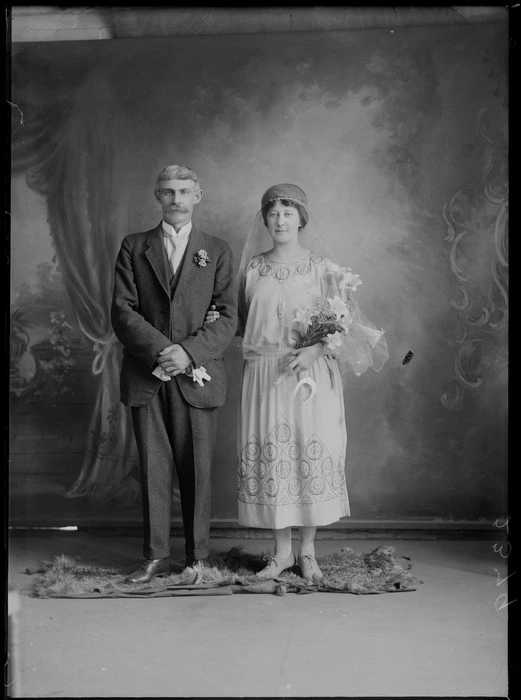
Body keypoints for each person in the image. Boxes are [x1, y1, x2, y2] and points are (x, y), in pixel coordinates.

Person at [208, 183, 388, 581]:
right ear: (264, 219)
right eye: (273, 213)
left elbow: (342, 324)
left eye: (288, 212)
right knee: (276, 457)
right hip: (265, 375)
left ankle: (307, 551)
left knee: (309, 450)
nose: (280, 220)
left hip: (310, 374)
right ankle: (281, 552)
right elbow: (237, 323)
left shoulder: (324, 267)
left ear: (301, 218)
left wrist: (315, 350)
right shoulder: (253, 268)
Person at [111, 165, 237, 584]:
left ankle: (198, 557)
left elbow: (227, 317)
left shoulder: (217, 250)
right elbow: (122, 310)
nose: (176, 199)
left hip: (195, 375)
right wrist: (161, 352)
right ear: (156, 196)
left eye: (184, 191)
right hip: (148, 375)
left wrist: (187, 352)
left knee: (197, 469)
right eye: (168, 192)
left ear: (198, 195)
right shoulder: (134, 246)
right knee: (153, 468)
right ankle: (155, 556)